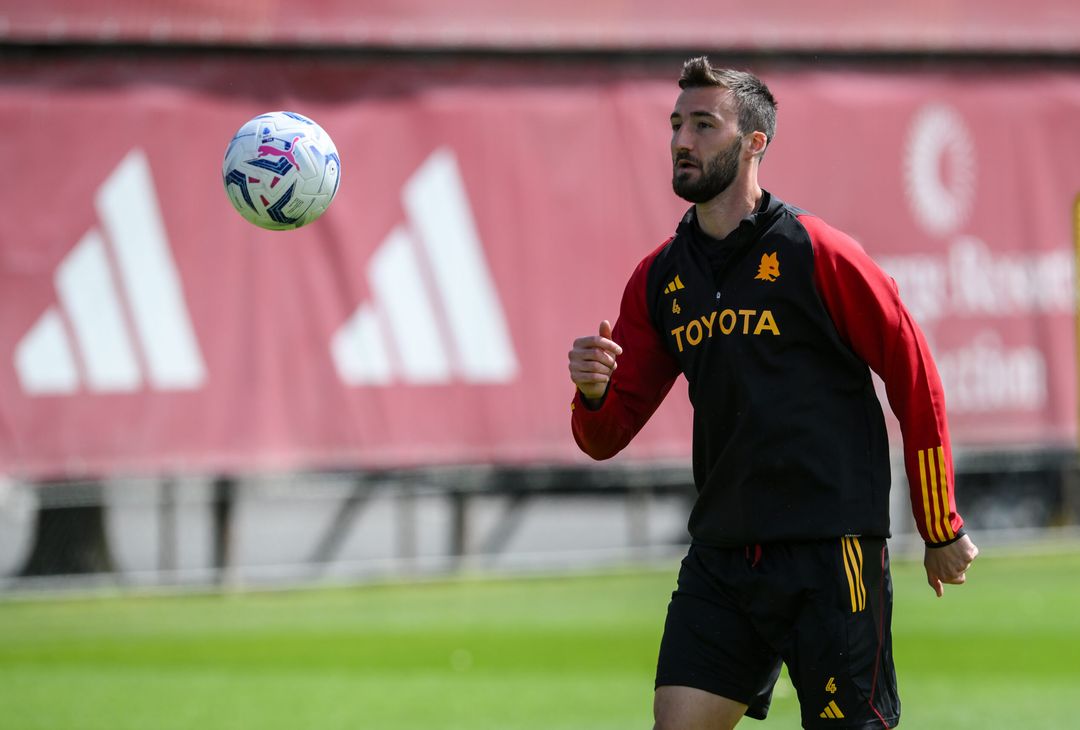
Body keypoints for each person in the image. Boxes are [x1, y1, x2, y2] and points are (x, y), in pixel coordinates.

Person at [567, 56, 978, 730]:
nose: (681, 140)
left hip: (830, 552)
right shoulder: (660, 279)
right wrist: (591, 393)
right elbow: (606, 435)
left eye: (704, 124)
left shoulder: (819, 252)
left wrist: (939, 525)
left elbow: (915, 375)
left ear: (754, 142)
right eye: (676, 125)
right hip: (724, 557)